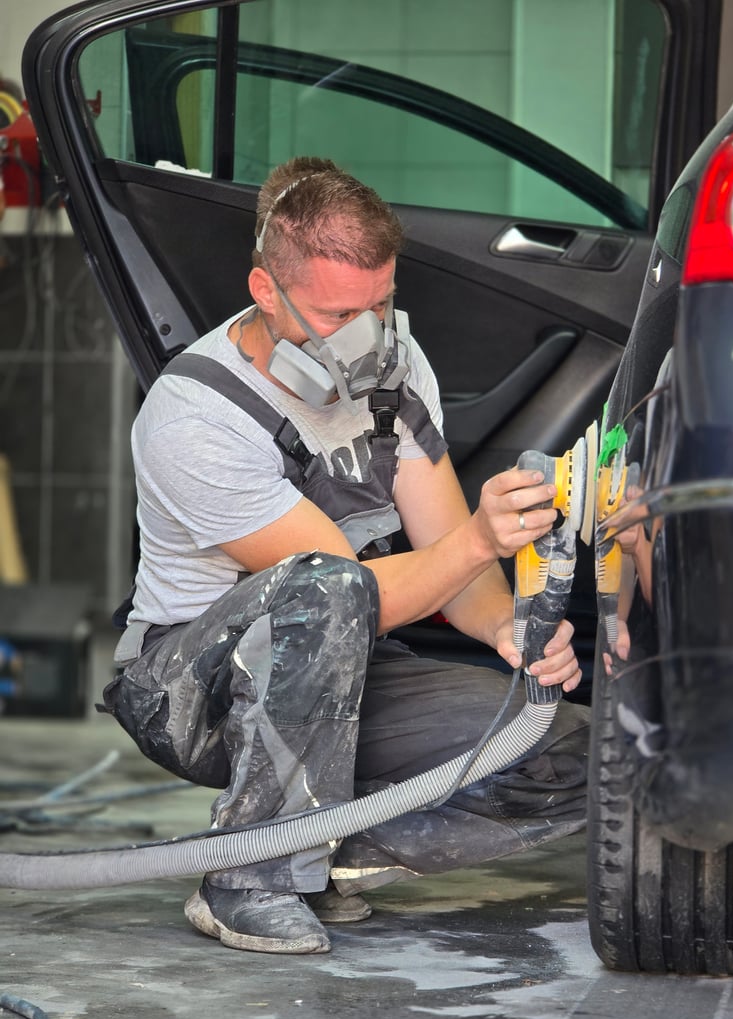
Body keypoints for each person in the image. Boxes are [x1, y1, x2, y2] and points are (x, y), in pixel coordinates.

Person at [102, 156, 589, 956]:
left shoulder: (396, 370)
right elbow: (344, 593)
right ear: (266, 292)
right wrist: (481, 537)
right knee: (325, 588)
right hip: (194, 691)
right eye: (337, 315)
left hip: (345, 668)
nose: (368, 337)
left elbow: (450, 559)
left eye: (381, 305)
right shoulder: (196, 417)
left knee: (568, 749)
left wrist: (511, 630)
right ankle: (249, 878)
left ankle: (331, 849)